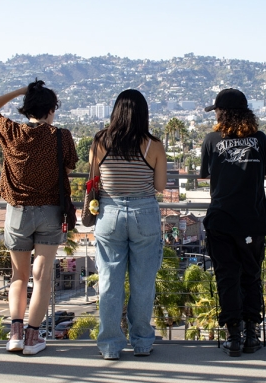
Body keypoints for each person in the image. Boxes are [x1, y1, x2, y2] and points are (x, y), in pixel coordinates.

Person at [0, 79, 78, 355]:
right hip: (50, 211)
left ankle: (15, 335)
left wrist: (21, 91)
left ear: (27, 109)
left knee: (18, 276)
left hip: (17, 213)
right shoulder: (61, 136)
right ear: (51, 109)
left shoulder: (11, 131)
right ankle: (34, 338)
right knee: (43, 276)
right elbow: (68, 169)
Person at [90, 89, 167, 360]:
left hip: (109, 213)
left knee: (110, 281)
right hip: (143, 212)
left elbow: (94, 178)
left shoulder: (100, 141)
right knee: (143, 282)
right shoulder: (153, 145)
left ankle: (110, 345)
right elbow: (159, 186)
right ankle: (142, 342)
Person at [200, 88, 266, 357]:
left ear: (222, 113)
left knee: (227, 277)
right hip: (253, 220)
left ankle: (233, 335)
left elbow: (204, 175)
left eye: (217, 110)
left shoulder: (211, 140)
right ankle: (252, 335)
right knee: (251, 276)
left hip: (221, 218)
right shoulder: (260, 138)